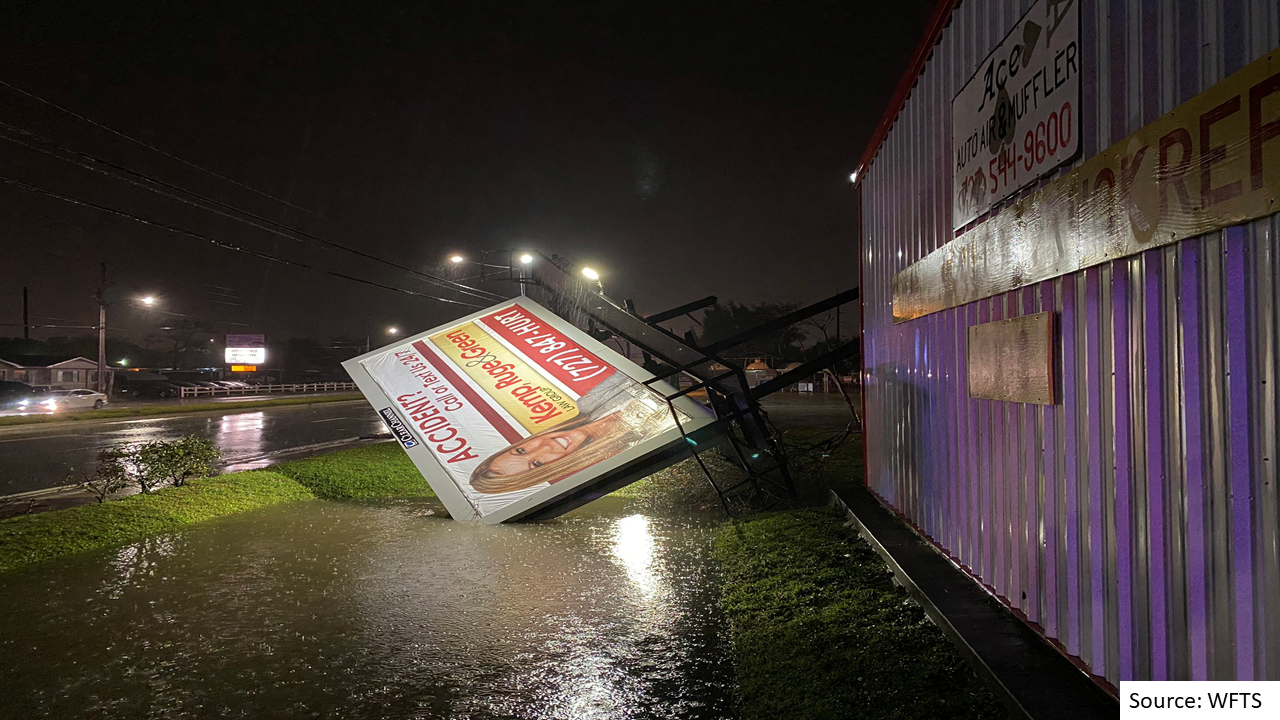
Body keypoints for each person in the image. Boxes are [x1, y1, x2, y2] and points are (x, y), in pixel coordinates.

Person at [469, 374, 682, 494]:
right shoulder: (635, 445)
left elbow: (636, 369)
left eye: (521, 450)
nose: (546, 448)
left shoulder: (588, 403)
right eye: (537, 464)